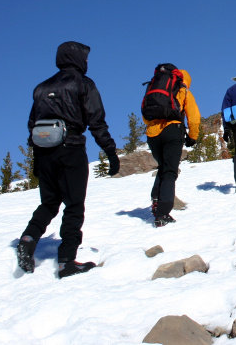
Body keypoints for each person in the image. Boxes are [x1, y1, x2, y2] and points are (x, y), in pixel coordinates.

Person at [17, 41, 120, 279]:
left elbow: (32, 124)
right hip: (71, 149)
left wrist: (36, 159)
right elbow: (97, 122)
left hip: (44, 151)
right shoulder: (83, 84)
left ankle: (29, 237)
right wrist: (111, 153)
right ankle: (66, 261)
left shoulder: (41, 88)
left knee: (49, 203)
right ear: (78, 59)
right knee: (74, 205)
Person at [143, 65, 200, 227]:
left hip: (152, 134)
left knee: (163, 166)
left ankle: (156, 198)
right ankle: (163, 212)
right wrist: (192, 137)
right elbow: (194, 117)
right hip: (173, 130)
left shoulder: (154, 88)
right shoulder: (184, 91)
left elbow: (145, 116)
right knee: (170, 171)